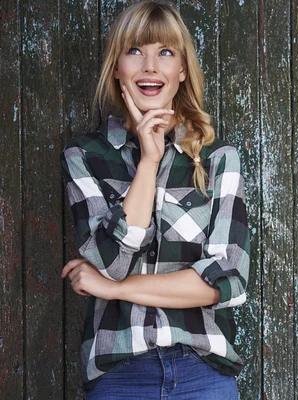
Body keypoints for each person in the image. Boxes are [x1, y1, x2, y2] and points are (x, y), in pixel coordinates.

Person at [60, 1, 249, 398]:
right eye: (135, 51)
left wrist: (112, 290)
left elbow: (226, 282)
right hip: (119, 377)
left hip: (204, 375)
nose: (150, 66)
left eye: (165, 52)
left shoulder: (218, 160)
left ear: (181, 70)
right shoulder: (85, 156)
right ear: (117, 67)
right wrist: (148, 162)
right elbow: (111, 263)